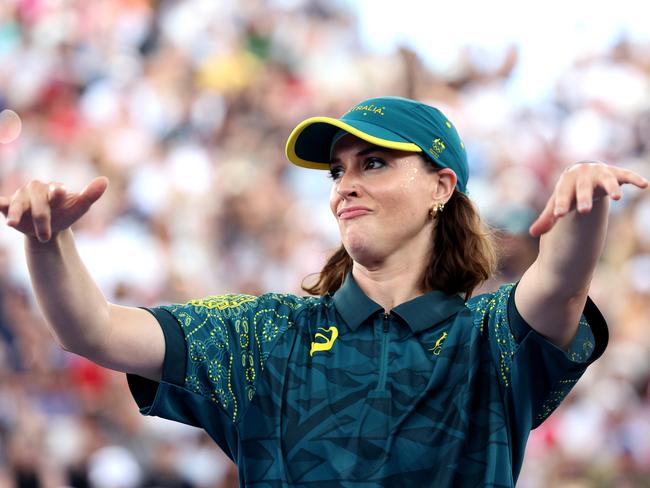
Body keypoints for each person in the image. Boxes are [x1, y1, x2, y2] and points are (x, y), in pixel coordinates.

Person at [0, 96, 647, 487]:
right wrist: (48, 243)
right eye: (337, 170)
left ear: (441, 187)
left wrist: (585, 201)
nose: (343, 186)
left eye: (373, 163)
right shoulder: (265, 334)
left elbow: (559, 288)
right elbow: (96, 330)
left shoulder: (487, 337)